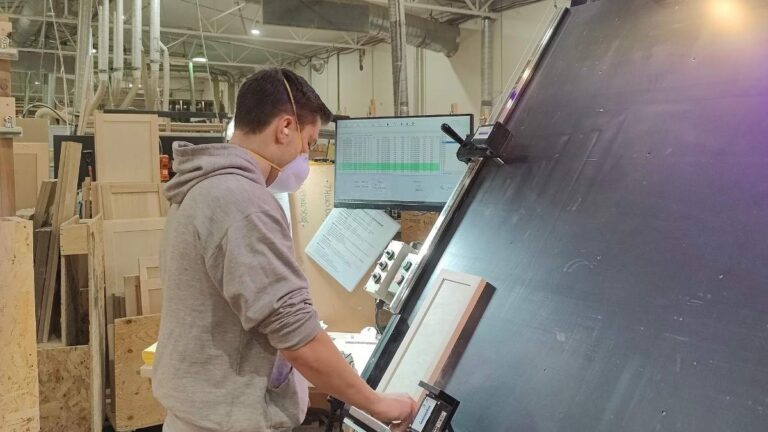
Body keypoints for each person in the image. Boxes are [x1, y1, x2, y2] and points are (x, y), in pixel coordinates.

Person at [153, 68, 417, 431]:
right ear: (285, 127)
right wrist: (378, 403)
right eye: (308, 143)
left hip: (200, 412)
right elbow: (298, 339)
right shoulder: (243, 202)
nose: (305, 155)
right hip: (227, 421)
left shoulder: (201, 187)